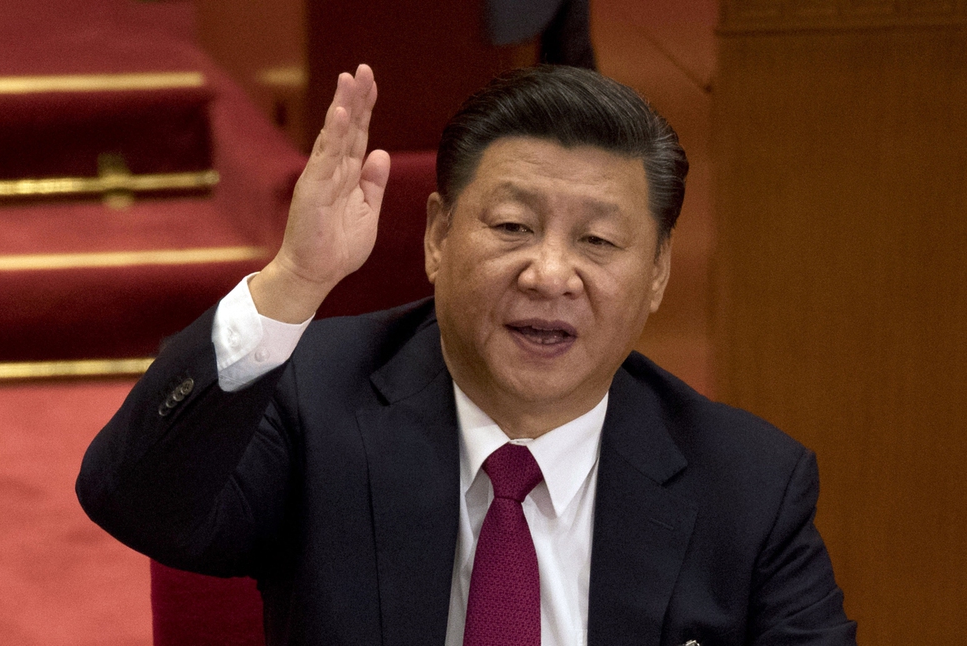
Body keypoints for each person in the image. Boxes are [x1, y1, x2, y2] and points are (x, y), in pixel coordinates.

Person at [77, 64, 857, 645]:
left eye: (598, 241)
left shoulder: (749, 487)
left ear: (656, 276)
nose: (550, 274)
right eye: (512, 226)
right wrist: (294, 281)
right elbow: (133, 498)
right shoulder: (316, 398)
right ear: (438, 238)